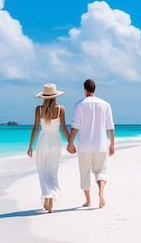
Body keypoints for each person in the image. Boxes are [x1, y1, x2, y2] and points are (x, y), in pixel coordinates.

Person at [67, 79, 115, 208]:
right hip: (101, 144)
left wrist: (70, 143)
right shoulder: (105, 105)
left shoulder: (79, 105)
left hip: (85, 146)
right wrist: (112, 144)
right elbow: (110, 127)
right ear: (95, 89)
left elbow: (75, 126)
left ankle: (88, 201)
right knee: (101, 171)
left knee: (84, 173)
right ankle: (101, 191)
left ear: (84, 90)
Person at [27, 83, 70, 213]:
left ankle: (47, 197)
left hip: (43, 140)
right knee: (52, 171)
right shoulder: (60, 109)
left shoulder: (38, 109)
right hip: (55, 141)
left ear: (44, 97)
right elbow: (63, 128)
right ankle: (50, 198)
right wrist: (70, 143)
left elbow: (35, 128)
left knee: (42, 170)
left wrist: (30, 146)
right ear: (55, 96)